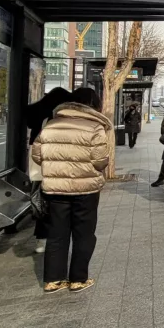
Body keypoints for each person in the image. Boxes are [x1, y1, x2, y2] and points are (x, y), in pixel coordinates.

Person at [31, 87, 111, 294]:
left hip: (56, 190)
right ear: (93, 105)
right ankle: (77, 279)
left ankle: (52, 280)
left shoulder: (52, 124)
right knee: (84, 233)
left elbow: (38, 155)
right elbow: (101, 160)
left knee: (57, 233)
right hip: (86, 189)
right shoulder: (95, 126)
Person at [25, 87, 73, 254]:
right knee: (59, 203)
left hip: (40, 166)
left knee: (42, 200)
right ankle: (57, 236)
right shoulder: (61, 117)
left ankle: (41, 239)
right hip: (58, 164)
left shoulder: (37, 111)